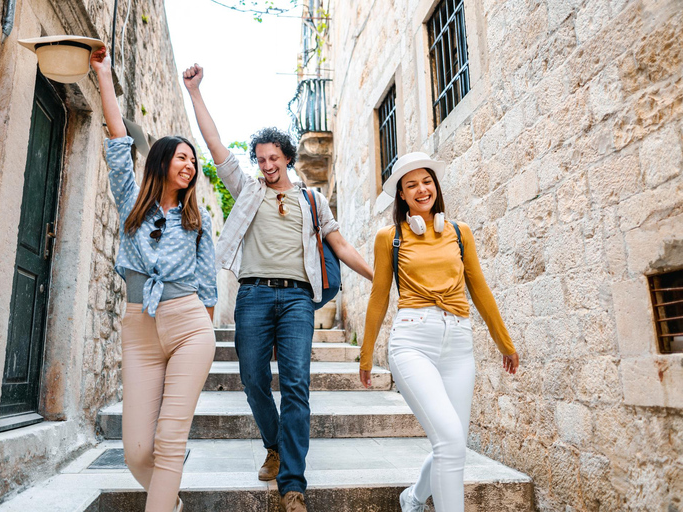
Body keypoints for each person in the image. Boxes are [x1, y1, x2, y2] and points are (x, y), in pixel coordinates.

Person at [182, 64, 373, 512]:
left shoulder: (313, 199)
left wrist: (379, 278)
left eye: (274, 158)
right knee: (252, 378)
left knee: (296, 385)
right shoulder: (247, 190)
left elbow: (340, 244)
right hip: (253, 294)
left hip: (296, 300)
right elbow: (215, 146)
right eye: (261, 159)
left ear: (287, 156)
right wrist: (194, 94)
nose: (267, 166)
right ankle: (273, 443)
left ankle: (293, 485)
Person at [91, 48, 217, 512]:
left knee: (168, 441)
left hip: (188, 324)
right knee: (136, 451)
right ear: (162, 159)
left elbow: (207, 290)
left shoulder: (197, 223)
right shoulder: (132, 201)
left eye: (193, 161)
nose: (189, 165)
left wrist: (201, 333)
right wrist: (104, 73)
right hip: (139, 327)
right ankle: (173, 503)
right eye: (182, 157)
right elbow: (118, 140)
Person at [359, 152, 519, 512]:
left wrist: (503, 342)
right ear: (402, 194)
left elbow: (478, 288)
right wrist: (366, 354)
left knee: (454, 443)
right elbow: (378, 297)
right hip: (413, 341)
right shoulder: (390, 237)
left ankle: (413, 498)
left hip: (459, 344)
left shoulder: (460, 233)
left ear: (436, 186)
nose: (421, 189)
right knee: (448, 439)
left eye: (426, 181)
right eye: (411, 184)